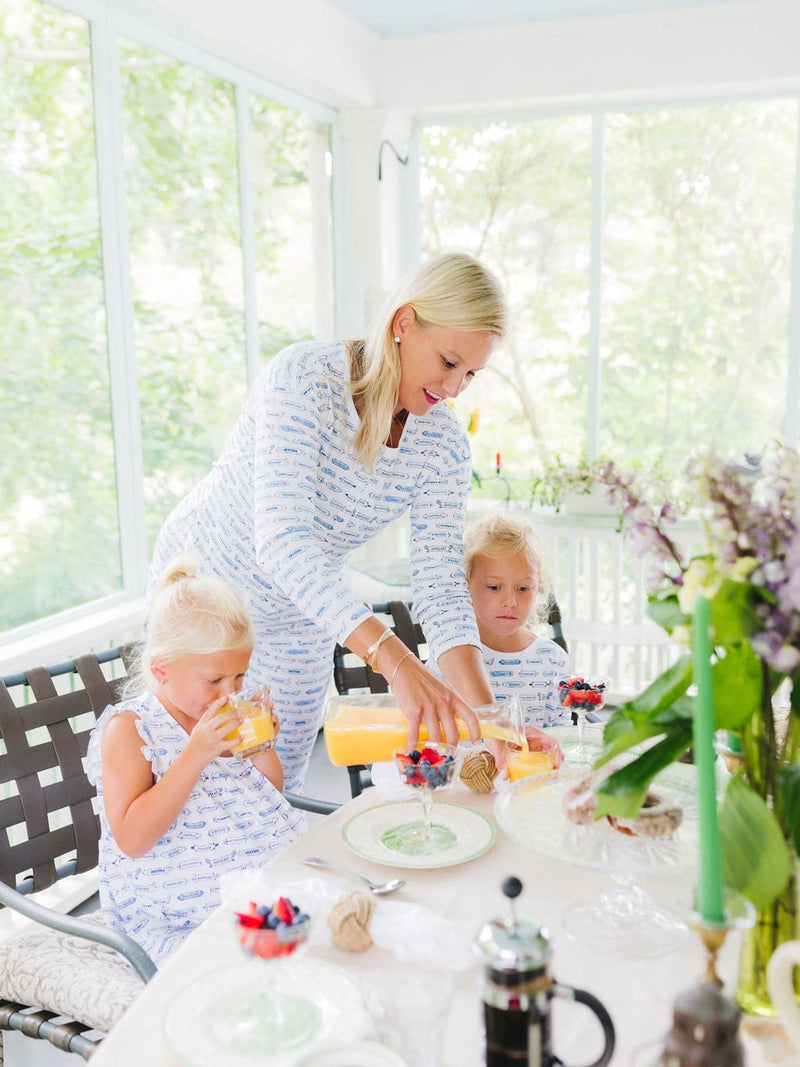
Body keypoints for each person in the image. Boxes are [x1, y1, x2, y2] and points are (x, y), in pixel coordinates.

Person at [150, 253, 509, 791]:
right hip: (204, 598)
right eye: (448, 362)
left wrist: (491, 720)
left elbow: (439, 585)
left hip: (303, 614)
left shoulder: (443, 444)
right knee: (191, 791)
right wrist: (397, 661)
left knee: (273, 789)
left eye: (471, 374)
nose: (455, 388)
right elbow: (283, 542)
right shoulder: (305, 381)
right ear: (404, 323)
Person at [86, 557, 304, 966]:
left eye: (239, 677)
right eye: (215, 680)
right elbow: (133, 839)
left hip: (254, 894)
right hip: (174, 919)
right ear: (161, 670)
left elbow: (268, 792)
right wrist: (196, 755)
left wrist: (262, 746)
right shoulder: (131, 730)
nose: (231, 692)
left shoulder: (223, 718)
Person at [462, 511, 571, 728]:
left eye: (523, 588)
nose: (510, 602)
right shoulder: (452, 658)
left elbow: (561, 735)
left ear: (538, 585)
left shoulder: (552, 660)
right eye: (494, 587)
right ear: (466, 583)